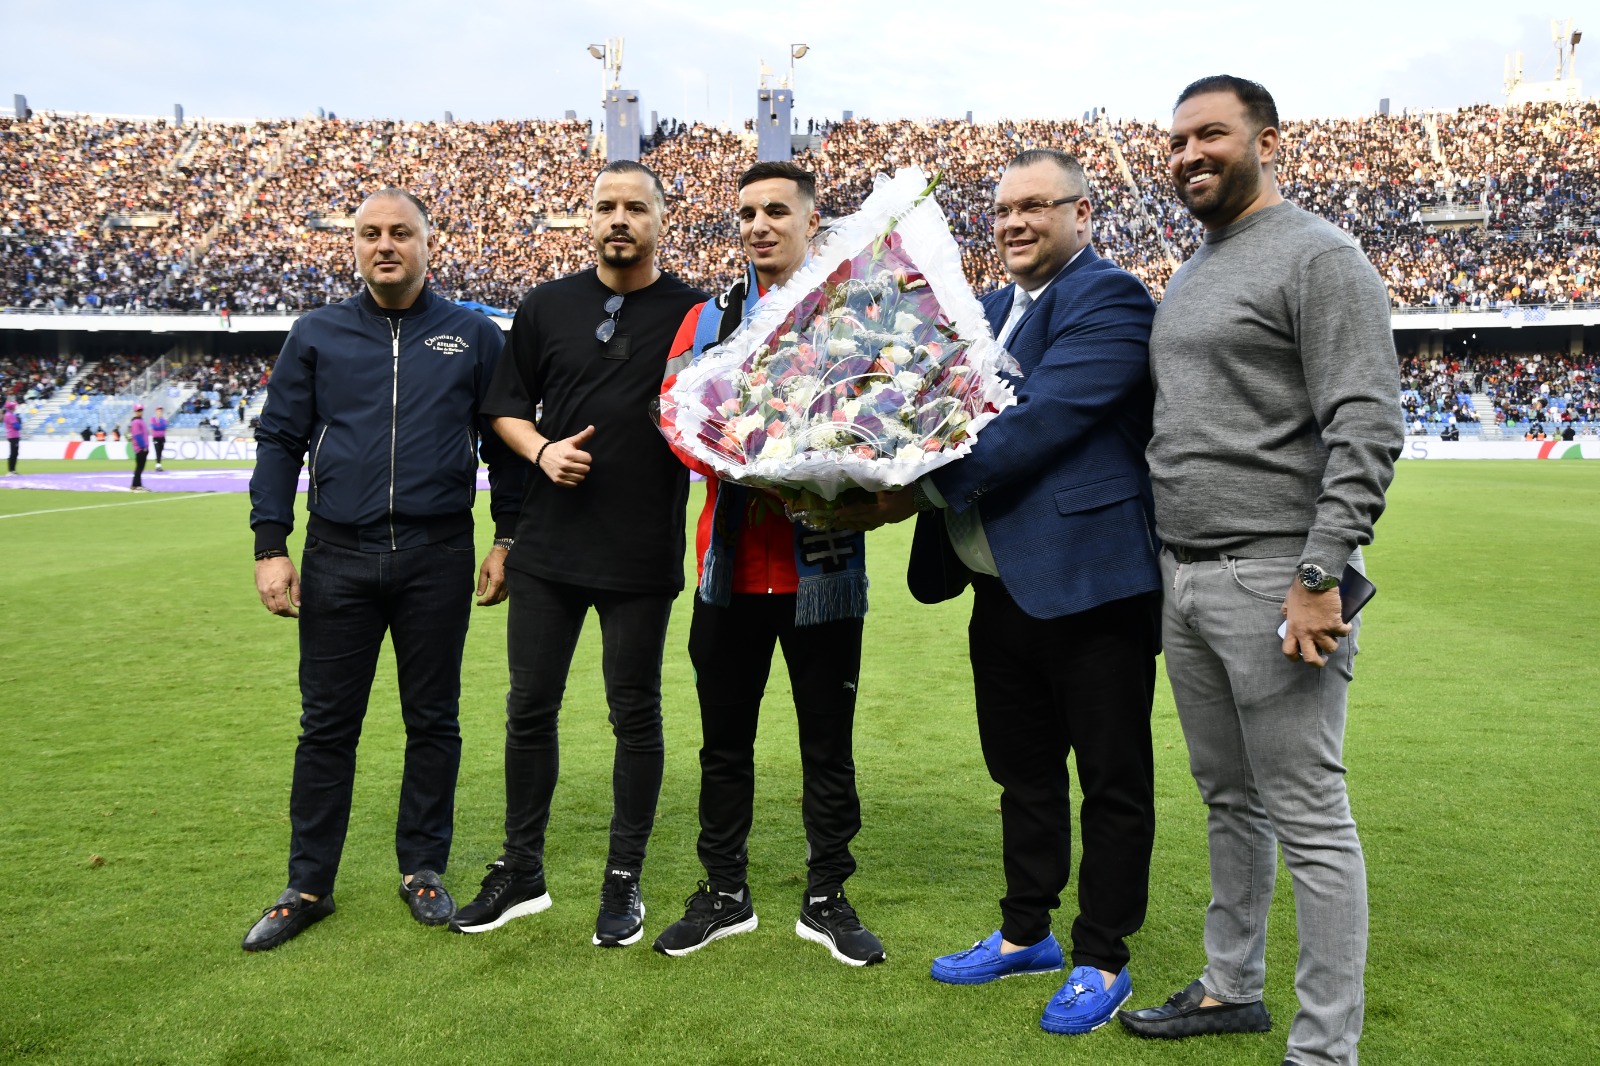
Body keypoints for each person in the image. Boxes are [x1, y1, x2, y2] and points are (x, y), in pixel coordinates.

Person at [836, 148, 1163, 1034]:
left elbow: (1042, 422)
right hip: (999, 587)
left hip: (1093, 586)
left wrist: (913, 489)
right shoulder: (983, 311)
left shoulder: (1109, 299)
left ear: (1083, 213)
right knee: (1021, 774)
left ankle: (1100, 955)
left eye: (1036, 206)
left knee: (1112, 780)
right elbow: (917, 399)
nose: (1014, 222)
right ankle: (1028, 933)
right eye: (1003, 210)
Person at [1117, 76, 1403, 1066]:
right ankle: (1227, 986)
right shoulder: (1197, 269)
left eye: (1211, 135)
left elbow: (1366, 421)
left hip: (1278, 574)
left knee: (1308, 811)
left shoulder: (1319, 256)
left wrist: (1320, 570)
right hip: (1187, 576)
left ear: (1266, 141)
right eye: (1176, 141)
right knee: (1227, 798)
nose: (1188, 154)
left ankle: (1324, 1049)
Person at [242, 187, 526, 952]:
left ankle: (423, 867)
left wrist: (505, 541)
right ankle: (307, 884)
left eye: (400, 232)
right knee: (326, 726)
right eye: (370, 233)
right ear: (355, 246)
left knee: (433, 720)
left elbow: (504, 448)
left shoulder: (471, 337)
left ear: (429, 244)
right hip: (336, 555)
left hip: (438, 555)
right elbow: (279, 441)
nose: (385, 244)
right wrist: (272, 545)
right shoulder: (316, 334)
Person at [450, 161, 706, 948]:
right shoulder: (545, 305)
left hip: (639, 548)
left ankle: (623, 879)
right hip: (548, 549)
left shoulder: (699, 313)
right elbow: (501, 407)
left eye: (636, 206)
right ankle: (521, 869)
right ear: (586, 220)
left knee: (635, 714)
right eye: (606, 206)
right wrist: (542, 451)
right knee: (529, 710)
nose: (619, 218)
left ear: (663, 219)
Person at [650, 161, 884, 966]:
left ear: (810, 223)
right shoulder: (708, 322)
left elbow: (883, 420)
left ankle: (826, 895)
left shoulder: (852, 318)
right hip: (728, 572)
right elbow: (673, 417)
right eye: (746, 213)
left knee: (828, 741)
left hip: (822, 575)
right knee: (724, 743)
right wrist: (744, 453)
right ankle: (724, 892)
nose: (758, 225)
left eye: (776, 212)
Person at [127, 404, 150, 492]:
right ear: (135, 412)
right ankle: (136, 485)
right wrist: (143, 446)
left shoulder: (140, 421)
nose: (140, 412)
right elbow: (137, 435)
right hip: (140, 448)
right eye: (138, 411)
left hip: (142, 447)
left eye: (141, 410)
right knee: (139, 467)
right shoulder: (136, 422)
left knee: (140, 467)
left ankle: (136, 484)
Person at [151, 406, 168, 471]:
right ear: (156, 412)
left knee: (160, 451)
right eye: (158, 411)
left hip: (162, 437)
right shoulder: (153, 419)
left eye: (161, 411)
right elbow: (154, 427)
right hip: (156, 438)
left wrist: (158, 425)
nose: (160, 412)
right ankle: (158, 465)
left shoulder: (163, 420)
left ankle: (158, 464)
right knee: (157, 450)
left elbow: (164, 426)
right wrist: (159, 426)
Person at [4, 400, 19, 475]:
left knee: (14, 453)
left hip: (12, 436)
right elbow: (17, 426)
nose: (15, 408)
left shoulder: (8, 415)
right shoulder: (10, 415)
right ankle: (11, 470)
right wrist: (18, 422)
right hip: (13, 436)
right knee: (13, 453)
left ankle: (12, 470)